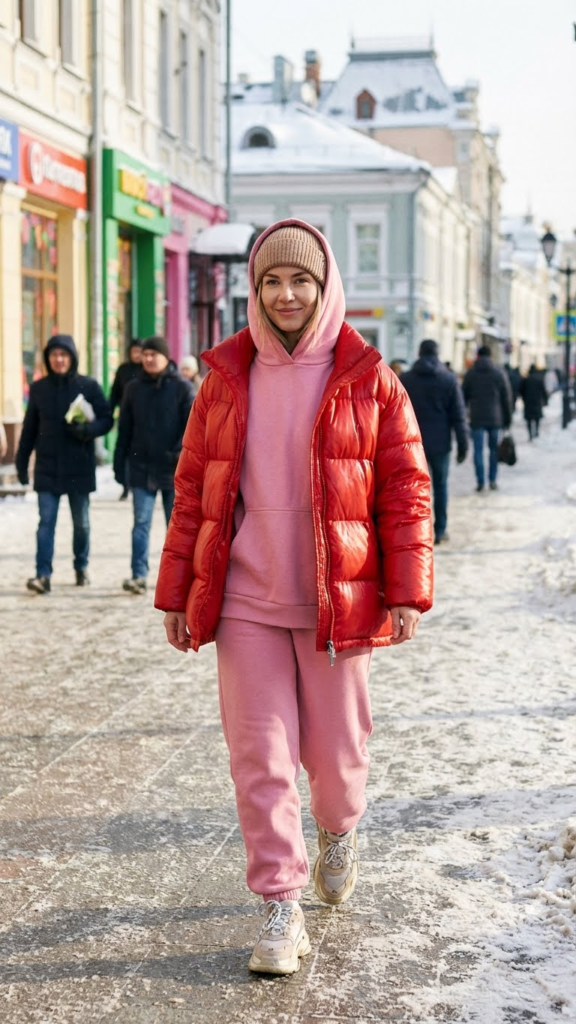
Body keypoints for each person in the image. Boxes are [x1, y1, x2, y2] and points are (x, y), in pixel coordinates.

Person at [154, 221, 433, 975]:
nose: (285, 294)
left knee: (336, 762)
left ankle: (340, 830)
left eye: (300, 281)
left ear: (323, 284)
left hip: (336, 601)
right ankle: (280, 903)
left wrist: (407, 589)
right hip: (246, 598)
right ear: (256, 289)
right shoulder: (223, 378)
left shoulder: (369, 376)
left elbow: (406, 490)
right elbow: (192, 495)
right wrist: (178, 592)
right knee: (259, 757)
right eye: (272, 281)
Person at [15, 334, 113, 593]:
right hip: (47, 468)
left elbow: (106, 419)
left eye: (64, 355)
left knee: (81, 523)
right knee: (46, 522)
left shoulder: (88, 386)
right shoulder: (39, 389)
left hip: (78, 467)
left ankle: (81, 564)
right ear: (48, 358)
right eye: (54, 355)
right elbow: (28, 430)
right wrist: (21, 464)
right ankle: (42, 574)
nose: (59, 359)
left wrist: (87, 430)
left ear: (72, 358)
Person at [114, 336, 195, 594]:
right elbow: (124, 429)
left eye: (154, 354)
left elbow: (194, 429)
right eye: (145, 354)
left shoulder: (182, 388)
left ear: (165, 357)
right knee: (141, 523)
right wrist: (119, 464)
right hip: (141, 468)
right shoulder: (133, 388)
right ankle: (139, 575)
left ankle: (180, 578)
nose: (148, 359)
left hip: (174, 471)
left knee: (176, 527)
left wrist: (177, 455)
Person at [401, 339, 468, 545]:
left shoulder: (407, 379)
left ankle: (415, 531)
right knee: (440, 486)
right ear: (438, 354)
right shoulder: (448, 379)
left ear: (419, 354)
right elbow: (458, 415)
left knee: (413, 489)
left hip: (412, 443)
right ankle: (440, 530)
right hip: (441, 443)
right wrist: (463, 444)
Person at [462, 345, 512, 493]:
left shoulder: (471, 374)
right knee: (493, 450)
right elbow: (506, 398)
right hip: (495, 418)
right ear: (491, 356)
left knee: (478, 450)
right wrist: (508, 419)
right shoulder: (498, 373)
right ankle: (492, 480)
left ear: (478, 356)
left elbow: (463, 396)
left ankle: (480, 481)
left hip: (476, 417)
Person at [109, 339, 143, 500]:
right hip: (126, 417)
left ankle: (138, 485)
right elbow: (115, 392)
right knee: (124, 452)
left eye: (139, 351)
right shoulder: (123, 370)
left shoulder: (147, 370)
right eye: (134, 351)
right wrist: (109, 411)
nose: (137, 355)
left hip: (143, 420)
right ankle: (124, 484)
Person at [519, 364, 548, 440]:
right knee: (537, 418)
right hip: (537, 401)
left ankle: (530, 434)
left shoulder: (526, 379)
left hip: (528, 401)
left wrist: (523, 398)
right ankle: (536, 432)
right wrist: (545, 400)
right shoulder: (539, 379)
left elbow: (521, 390)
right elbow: (543, 391)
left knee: (529, 419)